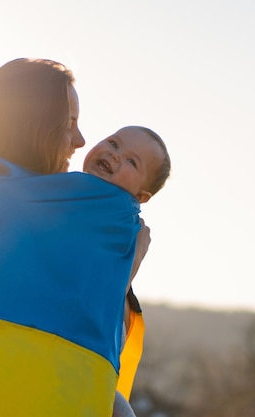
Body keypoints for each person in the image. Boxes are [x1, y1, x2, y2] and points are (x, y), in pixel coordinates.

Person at [0, 58, 152, 417]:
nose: (81, 141)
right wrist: (126, 257)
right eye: (69, 125)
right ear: (34, 127)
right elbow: (70, 317)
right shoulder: (67, 214)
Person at [83, 125, 171, 417]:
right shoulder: (62, 190)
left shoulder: (125, 226)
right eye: (113, 142)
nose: (115, 155)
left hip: (100, 329)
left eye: (132, 161)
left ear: (141, 196)